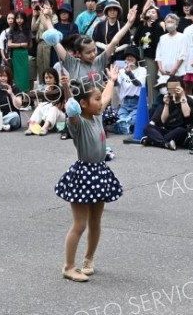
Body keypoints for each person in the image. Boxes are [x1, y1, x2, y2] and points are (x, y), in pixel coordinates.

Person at [54, 65, 123, 282]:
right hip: (84, 174)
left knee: (96, 221)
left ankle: (89, 259)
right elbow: (71, 108)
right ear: (83, 104)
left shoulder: (97, 117)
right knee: (80, 224)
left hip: (100, 172)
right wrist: (66, 88)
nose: (101, 102)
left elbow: (107, 95)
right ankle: (68, 266)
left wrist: (112, 79)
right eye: (95, 100)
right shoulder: (79, 123)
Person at [141, 76, 193, 150]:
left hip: (182, 131)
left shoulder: (188, 100)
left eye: (176, 88)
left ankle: (153, 141)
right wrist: (166, 104)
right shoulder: (170, 101)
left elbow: (186, 114)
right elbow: (163, 120)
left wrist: (182, 96)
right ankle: (164, 143)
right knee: (147, 128)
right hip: (168, 131)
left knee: (180, 130)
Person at [134, 1, 165, 106]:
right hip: (142, 58)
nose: (151, 13)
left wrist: (153, 25)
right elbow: (136, 39)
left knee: (152, 82)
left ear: (157, 15)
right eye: (149, 11)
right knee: (143, 82)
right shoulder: (142, 26)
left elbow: (158, 42)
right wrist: (143, 23)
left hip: (152, 58)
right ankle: (144, 104)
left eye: (154, 12)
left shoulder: (158, 26)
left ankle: (153, 105)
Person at [110, 46, 147, 135]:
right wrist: (113, 78)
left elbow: (139, 84)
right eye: (127, 57)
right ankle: (126, 127)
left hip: (137, 103)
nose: (129, 58)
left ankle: (122, 127)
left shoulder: (142, 70)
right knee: (118, 120)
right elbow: (117, 84)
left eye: (132, 56)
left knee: (131, 121)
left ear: (137, 58)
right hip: (125, 103)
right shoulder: (122, 71)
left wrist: (130, 74)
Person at [25, 68, 65, 136]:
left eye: (50, 77)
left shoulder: (59, 89)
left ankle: (45, 128)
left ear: (55, 79)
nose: (48, 80)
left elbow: (52, 97)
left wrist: (41, 94)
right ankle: (32, 127)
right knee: (40, 105)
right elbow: (30, 94)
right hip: (46, 118)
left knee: (53, 108)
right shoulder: (42, 89)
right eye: (46, 78)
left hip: (59, 120)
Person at [31, 0, 58, 86]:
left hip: (48, 44)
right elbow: (33, 28)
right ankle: (42, 86)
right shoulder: (41, 16)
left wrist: (44, 15)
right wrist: (34, 16)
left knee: (47, 66)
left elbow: (48, 29)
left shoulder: (54, 17)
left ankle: (49, 86)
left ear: (52, 7)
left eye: (47, 7)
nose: (44, 9)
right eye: (44, 6)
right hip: (40, 43)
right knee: (40, 67)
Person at [156, 13, 188, 78]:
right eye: (168, 22)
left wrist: (175, 69)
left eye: (172, 22)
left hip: (177, 73)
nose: (170, 24)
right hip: (163, 72)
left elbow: (183, 55)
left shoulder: (182, 37)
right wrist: (160, 68)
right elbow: (158, 55)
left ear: (176, 24)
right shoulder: (162, 38)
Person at [8, 11, 33, 92]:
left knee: (25, 74)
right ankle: (18, 91)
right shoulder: (12, 30)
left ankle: (26, 92)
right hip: (16, 53)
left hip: (25, 53)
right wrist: (21, 44)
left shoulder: (27, 30)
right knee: (17, 74)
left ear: (24, 19)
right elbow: (9, 44)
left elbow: (30, 45)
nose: (19, 20)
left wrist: (26, 45)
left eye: (21, 18)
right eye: (17, 18)